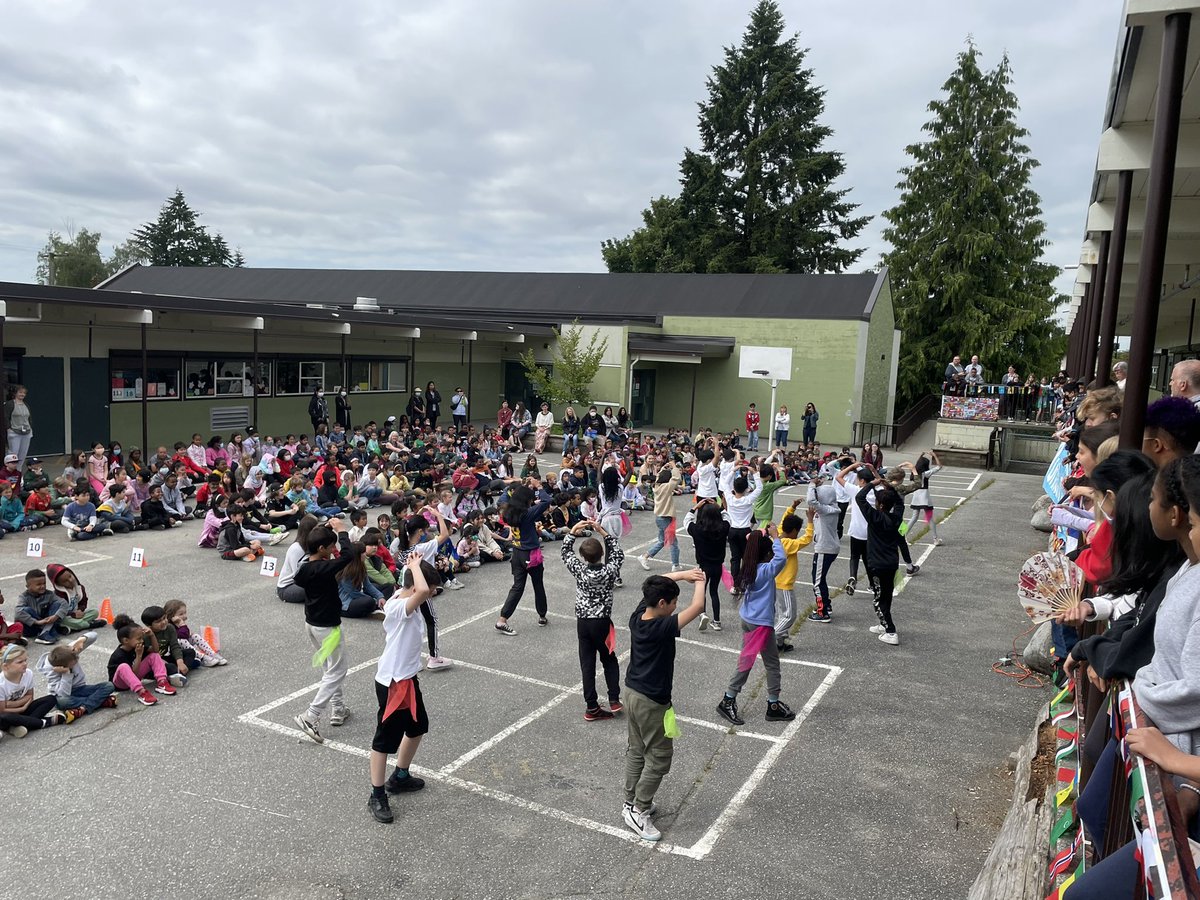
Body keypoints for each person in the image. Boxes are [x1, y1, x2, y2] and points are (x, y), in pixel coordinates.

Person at [622, 569, 707, 842]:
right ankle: (639, 809)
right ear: (662, 604)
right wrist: (700, 581)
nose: (675, 607)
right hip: (651, 701)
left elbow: (656, 578)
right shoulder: (662, 627)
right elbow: (698, 606)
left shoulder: (640, 616)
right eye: (673, 603)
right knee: (659, 757)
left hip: (632, 692)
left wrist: (683, 575)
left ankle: (630, 801)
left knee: (637, 750)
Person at [366, 555, 436, 824]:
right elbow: (421, 589)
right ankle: (377, 794)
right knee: (384, 739)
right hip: (393, 683)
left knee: (418, 727)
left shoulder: (405, 595)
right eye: (432, 589)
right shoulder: (398, 607)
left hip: (408, 679)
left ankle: (401, 776)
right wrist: (415, 567)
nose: (433, 594)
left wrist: (417, 564)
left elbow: (420, 588)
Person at [294, 521, 360, 743]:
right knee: (337, 671)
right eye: (331, 546)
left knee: (329, 669)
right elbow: (348, 555)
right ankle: (310, 716)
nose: (334, 550)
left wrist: (323, 529)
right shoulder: (323, 568)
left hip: (311, 625)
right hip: (328, 629)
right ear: (321, 549)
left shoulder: (304, 566)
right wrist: (342, 530)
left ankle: (338, 708)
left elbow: (331, 554)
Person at [562, 519, 625, 721]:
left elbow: (566, 553)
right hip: (602, 621)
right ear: (601, 555)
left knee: (587, 664)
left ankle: (592, 706)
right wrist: (603, 532)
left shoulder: (580, 570)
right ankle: (614, 698)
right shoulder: (610, 571)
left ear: (583, 556)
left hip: (583, 621)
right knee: (609, 659)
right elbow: (618, 554)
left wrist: (572, 532)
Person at [495, 485, 551, 635]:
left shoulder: (508, 512)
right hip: (531, 554)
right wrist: (539, 487)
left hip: (517, 553)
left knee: (517, 587)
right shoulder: (527, 514)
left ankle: (502, 619)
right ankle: (542, 615)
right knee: (538, 584)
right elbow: (547, 501)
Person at [856, 474, 905, 645]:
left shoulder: (874, 517)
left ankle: (890, 631)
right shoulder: (896, 517)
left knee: (878, 598)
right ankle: (883, 624)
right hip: (891, 563)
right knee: (886, 595)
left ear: (881, 505)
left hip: (877, 564)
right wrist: (889, 488)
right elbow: (899, 502)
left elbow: (859, 497)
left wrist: (872, 483)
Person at [36, 636, 115, 719]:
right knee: (62, 702)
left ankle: (83, 708)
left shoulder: (69, 651)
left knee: (109, 685)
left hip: (80, 689)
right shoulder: (51, 671)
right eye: (73, 664)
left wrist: (81, 639)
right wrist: (66, 674)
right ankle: (99, 702)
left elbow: (94, 635)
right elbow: (64, 694)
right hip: (65, 696)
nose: (76, 662)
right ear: (64, 666)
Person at [1, 643, 70, 735]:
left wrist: (12, 704)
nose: (25, 664)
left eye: (25, 660)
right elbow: (2, 710)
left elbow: (30, 696)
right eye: (20, 662)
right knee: (5, 717)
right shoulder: (1, 683)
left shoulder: (28, 673)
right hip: (7, 715)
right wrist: (20, 708)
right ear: (6, 666)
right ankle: (45, 722)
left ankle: (19, 726)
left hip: (22, 709)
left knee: (51, 699)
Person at [683, 498, 729, 632]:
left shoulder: (697, 530)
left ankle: (702, 613)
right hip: (717, 566)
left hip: (703, 566)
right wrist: (719, 507)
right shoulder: (723, 528)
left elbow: (687, 520)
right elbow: (727, 518)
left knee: (701, 590)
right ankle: (717, 621)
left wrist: (695, 507)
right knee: (714, 592)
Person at [773, 503, 814, 652]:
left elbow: (784, 521)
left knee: (780, 614)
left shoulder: (777, 536)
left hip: (776, 583)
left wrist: (792, 508)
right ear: (795, 530)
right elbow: (807, 539)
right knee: (789, 615)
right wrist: (810, 521)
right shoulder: (788, 544)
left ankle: (779, 644)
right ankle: (770, 637)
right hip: (784, 585)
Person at [106, 618, 174, 705]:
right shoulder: (118, 655)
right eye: (139, 638)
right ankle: (142, 692)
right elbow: (133, 673)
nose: (142, 641)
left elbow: (156, 650)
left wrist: (152, 635)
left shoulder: (137, 646)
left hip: (134, 677)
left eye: (142, 638)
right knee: (123, 666)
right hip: (121, 684)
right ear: (126, 641)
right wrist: (139, 656)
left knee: (154, 655)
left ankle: (162, 682)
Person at [807, 476, 841, 622]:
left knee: (817, 581)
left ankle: (823, 613)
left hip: (824, 548)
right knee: (821, 579)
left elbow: (810, 500)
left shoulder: (826, 510)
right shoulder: (831, 508)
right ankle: (826, 605)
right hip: (829, 547)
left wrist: (811, 484)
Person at [639, 462, 682, 572]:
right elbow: (676, 478)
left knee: (662, 541)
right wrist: (673, 466)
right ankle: (675, 565)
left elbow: (659, 476)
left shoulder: (657, 486)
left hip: (660, 517)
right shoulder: (667, 487)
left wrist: (663, 468)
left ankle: (645, 556)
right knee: (673, 542)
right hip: (665, 517)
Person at [16, 569, 68, 646]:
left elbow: (64, 603)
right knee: (26, 610)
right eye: (39, 584)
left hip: (46, 622)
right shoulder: (24, 597)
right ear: (28, 586)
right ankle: (50, 630)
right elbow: (18, 612)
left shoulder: (49, 594)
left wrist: (56, 616)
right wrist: (37, 622)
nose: (42, 586)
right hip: (30, 628)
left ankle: (45, 632)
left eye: (44, 583)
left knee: (57, 604)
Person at [46, 563, 100, 632]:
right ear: (58, 584)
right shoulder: (58, 595)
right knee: (64, 621)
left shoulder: (79, 588)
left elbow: (83, 601)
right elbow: (59, 612)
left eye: (70, 576)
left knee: (95, 612)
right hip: (65, 617)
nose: (70, 580)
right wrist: (73, 614)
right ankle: (88, 624)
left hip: (77, 614)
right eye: (65, 581)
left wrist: (80, 609)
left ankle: (72, 627)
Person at [905, 451, 943, 545]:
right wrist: (934, 455)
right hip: (925, 497)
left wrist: (920, 456)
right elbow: (939, 466)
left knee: (913, 517)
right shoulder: (926, 473)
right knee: (929, 518)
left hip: (916, 496)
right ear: (925, 465)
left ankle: (901, 534)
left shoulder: (914, 473)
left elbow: (916, 465)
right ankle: (935, 539)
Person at [4, 385, 32, 469]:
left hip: (26, 432)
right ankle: (9, 472)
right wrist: (9, 428)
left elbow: (29, 418)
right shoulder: (10, 404)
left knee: (23, 454)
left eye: (24, 393)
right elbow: (5, 417)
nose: (22, 394)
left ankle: (18, 472)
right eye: (20, 392)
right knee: (13, 454)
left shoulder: (26, 405)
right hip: (14, 432)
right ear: (15, 393)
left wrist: (30, 428)